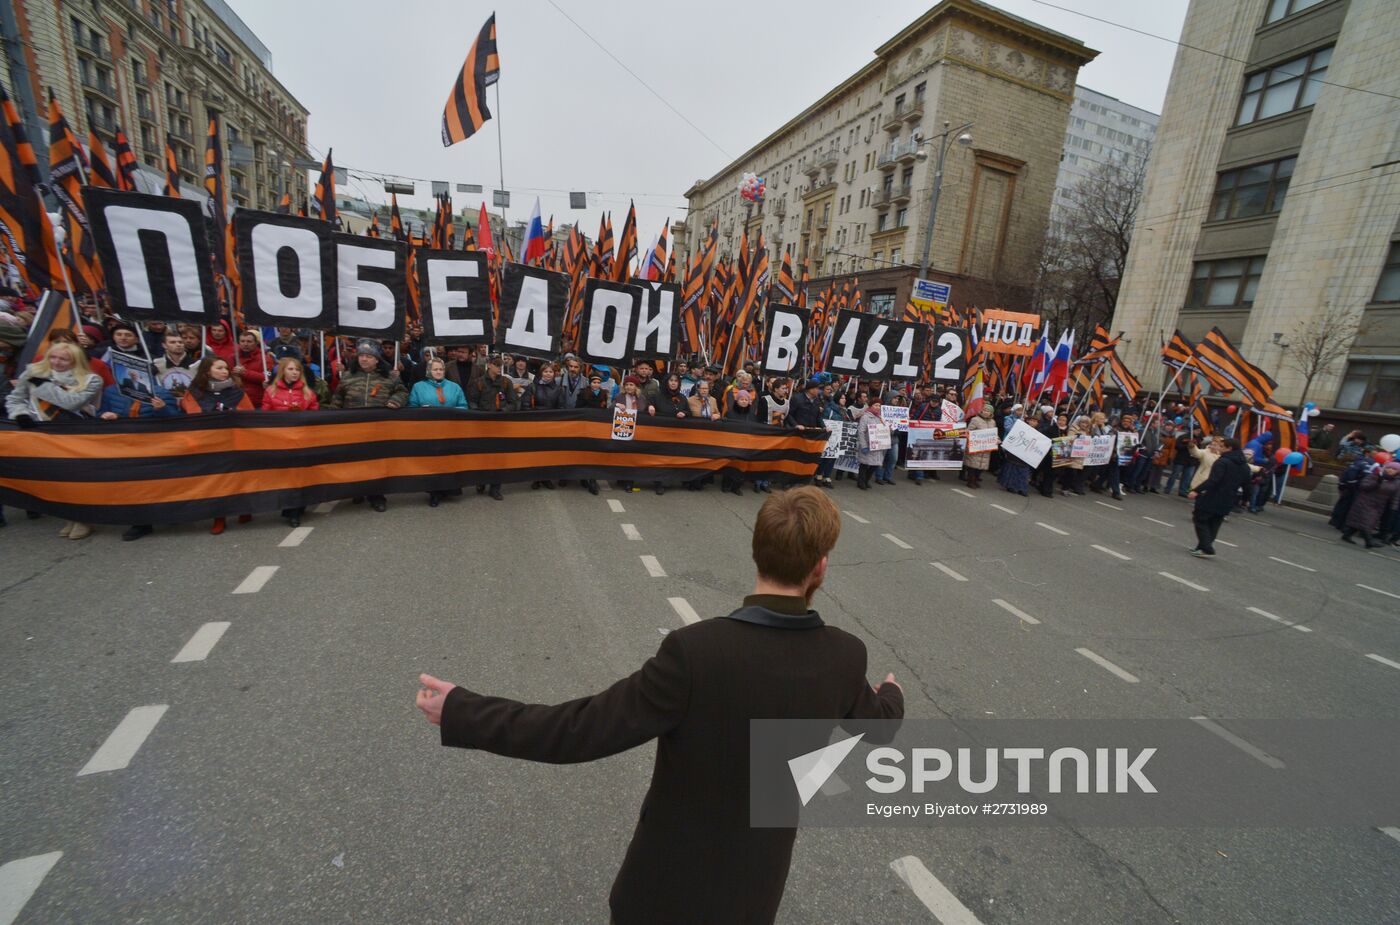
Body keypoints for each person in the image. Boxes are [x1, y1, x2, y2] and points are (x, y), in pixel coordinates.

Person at [414, 486, 903, 925]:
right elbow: (879, 726)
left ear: (757, 552)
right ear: (820, 566)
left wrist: (462, 710)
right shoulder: (843, 656)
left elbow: (578, 730)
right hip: (755, 891)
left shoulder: (696, 652)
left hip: (665, 889)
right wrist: (891, 691)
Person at [5, 342, 103, 540]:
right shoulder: (33, 373)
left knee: (76, 480)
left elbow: (71, 402)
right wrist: (20, 414)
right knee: (56, 478)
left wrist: (43, 385)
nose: (57, 362)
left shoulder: (91, 379)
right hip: (42, 434)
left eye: (64, 359)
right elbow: (15, 399)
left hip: (75, 433)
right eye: (53, 357)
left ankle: (83, 518)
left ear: (75, 361)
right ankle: (69, 516)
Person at [332, 339, 407, 512]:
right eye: (361, 356)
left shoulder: (389, 377)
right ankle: (357, 491)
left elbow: (402, 391)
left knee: (376, 464)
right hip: (353, 430)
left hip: (377, 430)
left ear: (377, 359)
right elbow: (337, 400)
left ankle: (376, 496)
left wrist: (395, 401)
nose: (363, 359)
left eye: (368, 356)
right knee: (355, 462)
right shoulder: (348, 378)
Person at [262, 357, 319, 527]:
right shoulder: (271, 391)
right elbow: (265, 415)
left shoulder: (308, 392)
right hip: (281, 441)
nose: (294, 373)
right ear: (282, 371)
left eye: (297, 370)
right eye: (291, 369)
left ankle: (296, 509)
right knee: (286, 476)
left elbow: (314, 415)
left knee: (301, 475)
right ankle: (290, 506)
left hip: (302, 440)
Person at [408, 357, 470, 507]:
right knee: (432, 463)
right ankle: (434, 493)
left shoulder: (454, 387)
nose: (438, 372)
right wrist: (423, 411)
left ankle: (450, 489)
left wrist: (450, 411)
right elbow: (411, 407)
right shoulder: (418, 387)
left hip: (450, 431)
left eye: (441, 369)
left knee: (449, 461)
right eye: (435, 369)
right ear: (429, 371)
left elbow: (464, 406)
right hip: (428, 432)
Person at [1189, 437, 1251, 558]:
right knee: (1215, 522)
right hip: (1229, 498)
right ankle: (1202, 547)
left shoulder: (1222, 462)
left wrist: (1196, 490)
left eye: (1222, 447)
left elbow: (1213, 480)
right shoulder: (1244, 466)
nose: (1219, 449)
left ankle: (1207, 548)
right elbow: (1247, 485)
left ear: (1229, 448)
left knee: (1200, 518)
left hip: (1214, 495)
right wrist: (1245, 499)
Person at [469, 356, 516, 501]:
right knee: (482, 456)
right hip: (483, 425)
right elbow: (472, 402)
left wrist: (504, 411)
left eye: (500, 365)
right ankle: (481, 481)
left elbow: (513, 403)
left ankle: (495, 488)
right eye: (496, 365)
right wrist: (480, 415)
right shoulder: (479, 383)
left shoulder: (506, 382)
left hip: (500, 425)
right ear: (489, 365)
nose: (499, 368)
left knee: (498, 458)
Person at [1341, 463, 1400, 548]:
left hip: (1379, 505)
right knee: (1366, 521)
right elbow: (1364, 486)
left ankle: (1347, 535)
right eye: (1389, 468)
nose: (1390, 470)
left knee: (1364, 521)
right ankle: (1369, 541)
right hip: (1365, 501)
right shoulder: (1374, 476)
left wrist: (1393, 509)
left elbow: (1396, 497)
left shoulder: (1397, 483)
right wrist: (1378, 482)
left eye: (1394, 469)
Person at [854, 395, 887, 491]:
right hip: (867, 445)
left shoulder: (880, 417)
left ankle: (866, 480)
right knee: (864, 465)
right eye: (876, 405)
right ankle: (861, 482)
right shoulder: (865, 416)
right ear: (871, 406)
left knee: (875, 464)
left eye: (879, 405)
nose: (878, 407)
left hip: (877, 446)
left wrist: (889, 429)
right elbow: (861, 431)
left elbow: (884, 429)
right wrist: (863, 445)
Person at [962, 402, 996, 489]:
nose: (985, 412)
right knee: (972, 466)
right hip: (975, 447)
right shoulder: (975, 420)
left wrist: (997, 440)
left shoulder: (993, 422)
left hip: (985, 449)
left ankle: (975, 480)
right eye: (984, 410)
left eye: (988, 411)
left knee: (980, 466)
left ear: (991, 413)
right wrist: (974, 438)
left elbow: (993, 434)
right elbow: (969, 431)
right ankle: (971, 481)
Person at [1163, 429, 1198, 497]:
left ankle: (1182, 491)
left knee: (1187, 477)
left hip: (1191, 461)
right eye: (1197, 430)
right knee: (1174, 475)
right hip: (1181, 459)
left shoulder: (1199, 439)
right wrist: (1187, 445)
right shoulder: (1183, 437)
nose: (1198, 432)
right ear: (1193, 430)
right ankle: (1168, 488)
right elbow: (1177, 446)